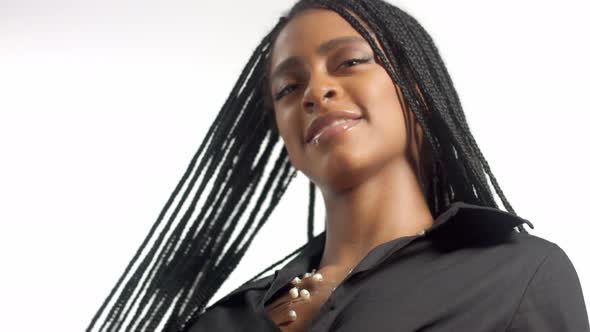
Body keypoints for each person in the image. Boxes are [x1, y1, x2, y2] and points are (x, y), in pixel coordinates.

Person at [87, 0, 590, 331]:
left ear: (416, 87)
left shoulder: (516, 276)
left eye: (349, 62)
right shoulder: (224, 322)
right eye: (288, 88)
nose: (315, 92)